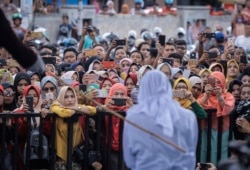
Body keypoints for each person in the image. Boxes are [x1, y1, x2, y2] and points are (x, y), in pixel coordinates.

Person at [123, 70, 198, 170]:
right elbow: (190, 154)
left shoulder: (133, 116)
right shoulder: (188, 116)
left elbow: (130, 159)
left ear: (143, 89)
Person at [50, 86, 97, 169]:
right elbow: (65, 113)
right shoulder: (55, 105)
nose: (70, 100)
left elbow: (93, 110)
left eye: (72, 96)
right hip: (61, 154)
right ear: (61, 97)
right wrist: (76, 109)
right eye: (66, 97)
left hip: (76, 153)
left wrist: (77, 107)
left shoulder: (76, 106)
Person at [197, 71, 235, 164]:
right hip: (206, 131)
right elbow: (198, 107)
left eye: (219, 82)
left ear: (223, 83)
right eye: (214, 81)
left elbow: (229, 109)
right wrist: (207, 94)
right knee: (206, 153)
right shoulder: (203, 95)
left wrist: (220, 97)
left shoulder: (228, 95)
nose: (216, 85)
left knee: (223, 154)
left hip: (224, 132)